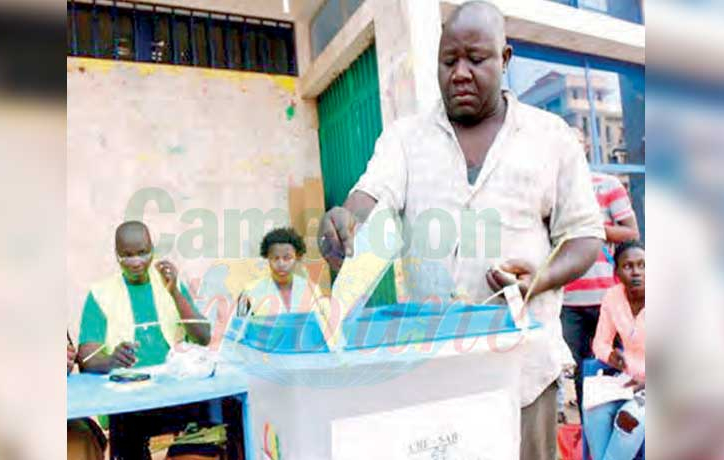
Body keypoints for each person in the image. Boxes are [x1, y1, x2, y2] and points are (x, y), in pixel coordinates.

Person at [317, 2, 604, 458]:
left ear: (505, 59)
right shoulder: (406, 138)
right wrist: (347, 218)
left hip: (524, 368)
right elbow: (372, 193)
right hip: (434, 370)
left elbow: (585, 236)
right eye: (449, 61)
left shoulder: (552, 138)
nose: (461, 73)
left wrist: (540, 278)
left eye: (477, 59)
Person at [77, 220, 211, 460]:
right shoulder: (101, 293)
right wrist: (111, 360)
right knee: (127, 438)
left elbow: (203, 337)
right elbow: (86, 359)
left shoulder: (169, 284)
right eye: (127, 255)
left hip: (176, 392)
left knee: (214, 418)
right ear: (116, 255)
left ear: (153, 249)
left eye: (142, 252)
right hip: (128, 402)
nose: (137, 262)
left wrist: (175, 294)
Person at [561, 169, 640, 409]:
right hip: (566, 299)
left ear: (583, 148)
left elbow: (632, 232)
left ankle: (620, 421)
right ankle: (590, 430)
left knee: (616, 363)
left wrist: (592, 230)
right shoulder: (552, 186)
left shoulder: (607, 185)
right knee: (579, 370)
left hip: (605, 297)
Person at [585, 240, 645, 460]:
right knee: (594, 412)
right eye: (628, 266)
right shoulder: (613, 297)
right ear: (616, 272)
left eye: (643, 265)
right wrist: (611, 355)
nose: (636, 272)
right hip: (625, 381)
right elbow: (600, 343)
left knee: (628, 419)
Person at [238, 227, 324, 316]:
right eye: (275, 258)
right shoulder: (250, 291)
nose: (281, 264)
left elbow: (323, 325)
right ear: (267, 258)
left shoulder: (312, 291)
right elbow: (239, 326)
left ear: (297, 257)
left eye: (287, 258)